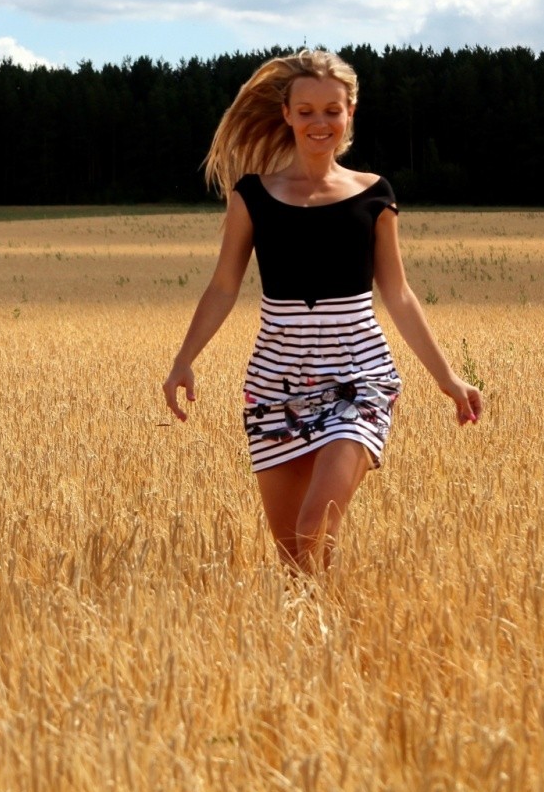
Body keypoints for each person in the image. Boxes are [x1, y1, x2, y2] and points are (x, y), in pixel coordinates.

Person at [163, 49, 483, 573]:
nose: (319, 122)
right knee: (295, 555)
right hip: (275, 388)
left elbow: (398, 294)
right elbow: (223, 287)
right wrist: (183, 360)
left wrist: (448, 378)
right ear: (286, 114)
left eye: (332, 110)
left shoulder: (374, 194)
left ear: (350, 112)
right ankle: (319, 641)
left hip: (358, 382)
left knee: (315, 522)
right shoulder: (253, 196)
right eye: (306, 110)